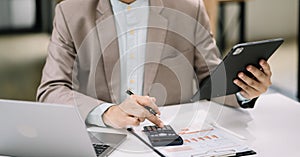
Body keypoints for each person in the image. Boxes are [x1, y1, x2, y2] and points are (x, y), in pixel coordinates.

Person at [37, 0, 272, 128]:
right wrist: (108, 113)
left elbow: (212, 80)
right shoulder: (70, 12)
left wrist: (244, 91)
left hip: (170, 136)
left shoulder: (190, 8)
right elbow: (51, 90)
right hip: (101, 135)